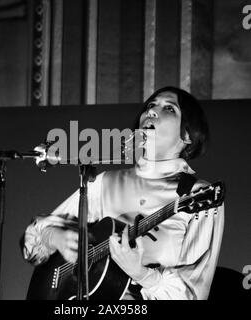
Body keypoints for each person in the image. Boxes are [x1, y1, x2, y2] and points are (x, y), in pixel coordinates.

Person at [22, 86, 224, 300]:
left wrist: (143, 275)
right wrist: (53, 236)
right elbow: (33, 238)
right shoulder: (106, 182)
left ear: (188, 134)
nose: (152, 111)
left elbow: (194, 293)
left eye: (169, 108)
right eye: (151, 105)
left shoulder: (199, 195)